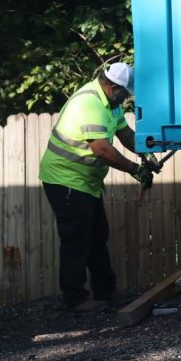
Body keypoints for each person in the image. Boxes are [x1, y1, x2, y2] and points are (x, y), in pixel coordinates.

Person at [39, 62, 159, 315]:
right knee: (77, 238)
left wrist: (146, 154)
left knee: (97, 233)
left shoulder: (109, 104)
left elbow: (125, 135)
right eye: (125, 95)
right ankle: (76, 299)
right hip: (65, 179)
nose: (126, 100)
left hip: (84, 181)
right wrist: (135, 170)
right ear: (113, 87)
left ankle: (105, 289)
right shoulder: (89, 104)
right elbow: (102, 150)